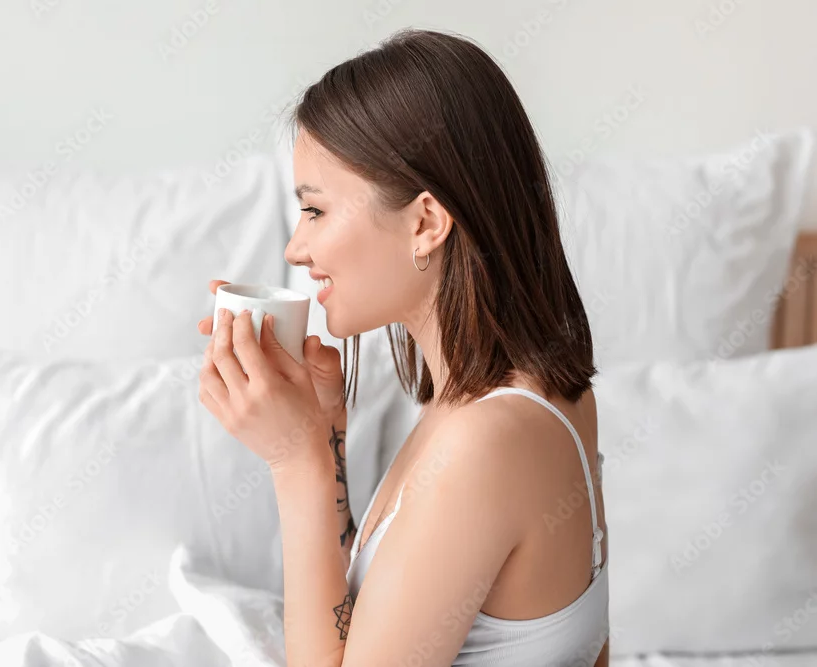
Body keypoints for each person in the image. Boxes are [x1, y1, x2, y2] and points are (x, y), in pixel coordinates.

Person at [196, 27, 609, 667]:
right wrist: (326, 438)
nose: (295, 249)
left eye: (315, 211)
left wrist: (295, 462)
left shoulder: (487, 441)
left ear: (425, 223)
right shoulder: (520, 397)